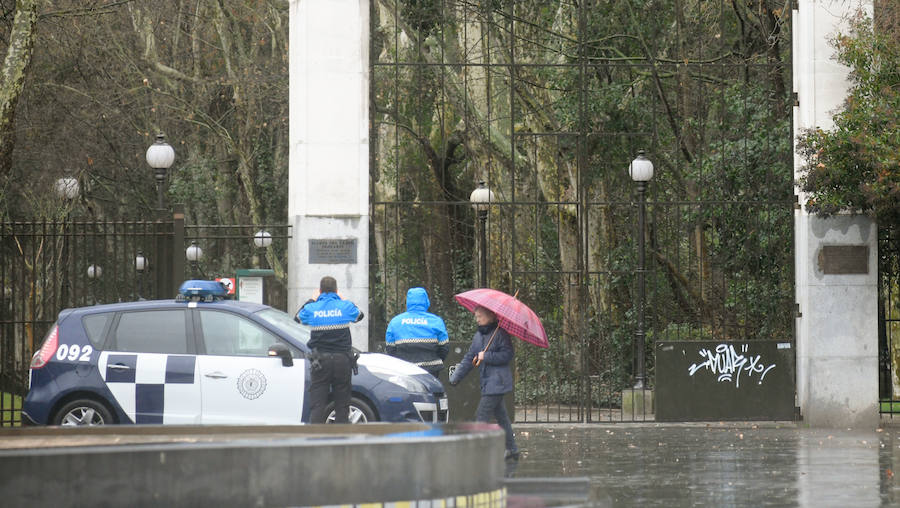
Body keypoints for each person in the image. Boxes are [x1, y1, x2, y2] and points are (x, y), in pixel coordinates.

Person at [449, 306, 519, 461]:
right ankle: (512, 449)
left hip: (497, 382)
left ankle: (476, 451)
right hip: (488, 382)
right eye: (476, 316)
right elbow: (469, 357)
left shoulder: (500, 334)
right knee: (502, 417)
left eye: (480, 316)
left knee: (482, 415)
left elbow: (507, 355)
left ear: (491, 316)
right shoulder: (478, 336)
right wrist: (457, 376)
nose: (477, 319)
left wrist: (486, 356)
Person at [295, 276, 364, 424]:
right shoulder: (345, 306)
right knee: (342, 403)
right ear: (336, 291)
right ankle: (341, 438)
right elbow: (360, 315)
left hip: (320, 362)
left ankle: (316, 439)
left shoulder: (311, 308)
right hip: (342, 361)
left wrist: (312, 300)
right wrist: (343, 299)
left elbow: (297, 317)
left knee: (318, 404)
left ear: (319, 291)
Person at [384, 287, 449, 378]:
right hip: (430, 370)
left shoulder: (395, 322)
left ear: (407, 302)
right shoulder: (436, 321)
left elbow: (390, 349)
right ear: (426, 301)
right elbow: (444, 348)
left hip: (404, 371)